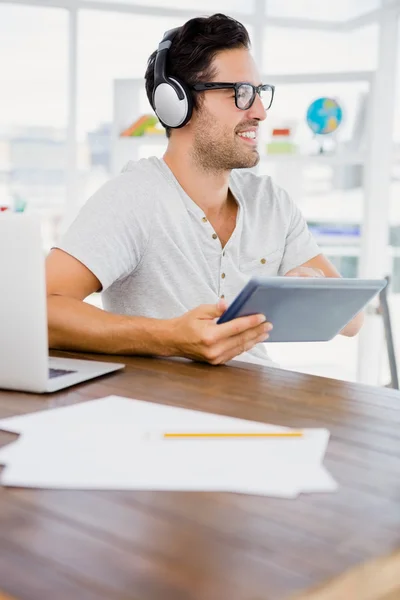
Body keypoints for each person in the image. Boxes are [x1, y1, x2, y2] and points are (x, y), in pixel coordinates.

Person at [46, 13, 363, 368]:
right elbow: (38, 309)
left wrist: (313, 282)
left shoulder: (270, 200)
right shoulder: (134, 198)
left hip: (258, 401)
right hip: (172, 411)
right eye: (241, 93)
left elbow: (352, 320)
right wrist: (170, 337)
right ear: (177, 103)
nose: (259, 112)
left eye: (259, 93)